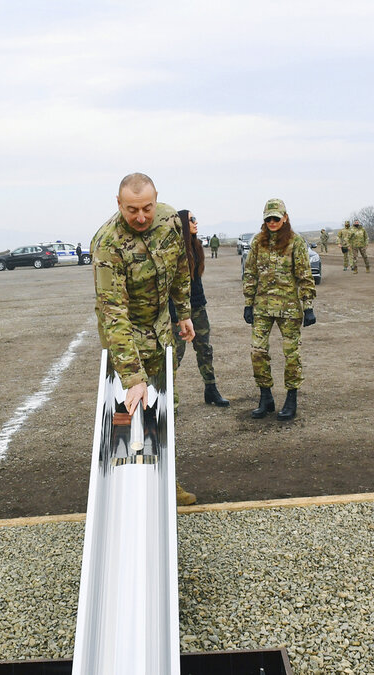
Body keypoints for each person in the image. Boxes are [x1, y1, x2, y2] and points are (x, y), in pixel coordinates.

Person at [92, 172, 198, 505]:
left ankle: (166, 481)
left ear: (156, 201)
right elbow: (113, 313)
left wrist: (183, 312)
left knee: (166, 408)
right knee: (126, 412)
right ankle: (128, 488)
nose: (140, 217)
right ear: (118, 204)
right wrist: (134, 377)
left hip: (161, 328)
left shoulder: (169, 221)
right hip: (126, 337)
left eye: (146, 209)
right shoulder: (107, 244)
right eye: (132, 210)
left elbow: (181, 266)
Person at [242, 198, 316, 421]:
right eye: (268, 219)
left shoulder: (295, 242)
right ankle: (266, 397)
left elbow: (305, 275)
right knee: (257, 352)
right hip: (262, 307)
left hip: (289, 309)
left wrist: (308, 306)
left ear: (285, 218)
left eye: (276, 218)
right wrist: (248, 304)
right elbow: (250, 274)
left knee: (291, 355)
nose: (272, 222)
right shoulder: (257, 242)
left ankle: (291, 399)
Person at [170, 210, 229, 407]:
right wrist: (175, 313)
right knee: (174, 356)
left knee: (204, 349)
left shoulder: (196, 247)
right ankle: (169, 401)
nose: (196, 222)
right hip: (178, 311)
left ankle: (211, 389)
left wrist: (200, 303)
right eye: (192, 220)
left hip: (198, 307)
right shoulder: (174, 250)